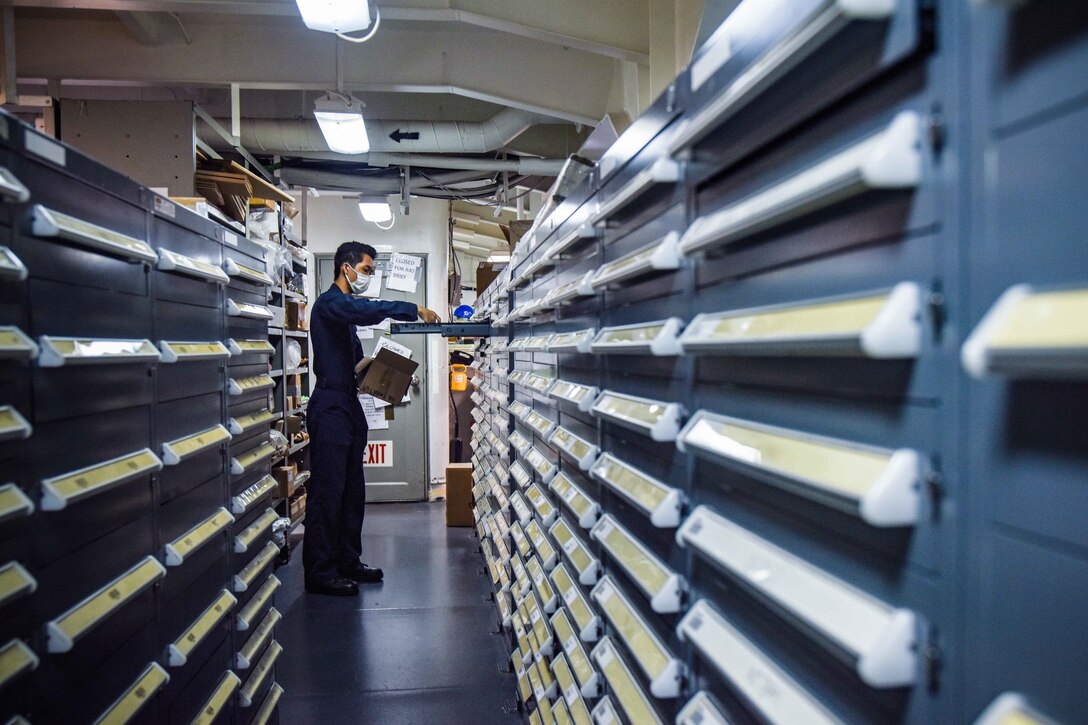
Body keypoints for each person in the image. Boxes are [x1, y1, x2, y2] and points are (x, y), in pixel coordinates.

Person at [304, 241, 441, 596]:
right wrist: (413, 308)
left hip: (348, 405)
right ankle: (320, 572)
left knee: (351, 491)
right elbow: (366, 310)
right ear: (345, 267)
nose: (369, 276)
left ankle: (348, 560)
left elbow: (354, 366)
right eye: (366, 269)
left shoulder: (344, 315)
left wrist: (386, 379)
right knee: (327, 492)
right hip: (330, 407)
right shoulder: (330, 303)